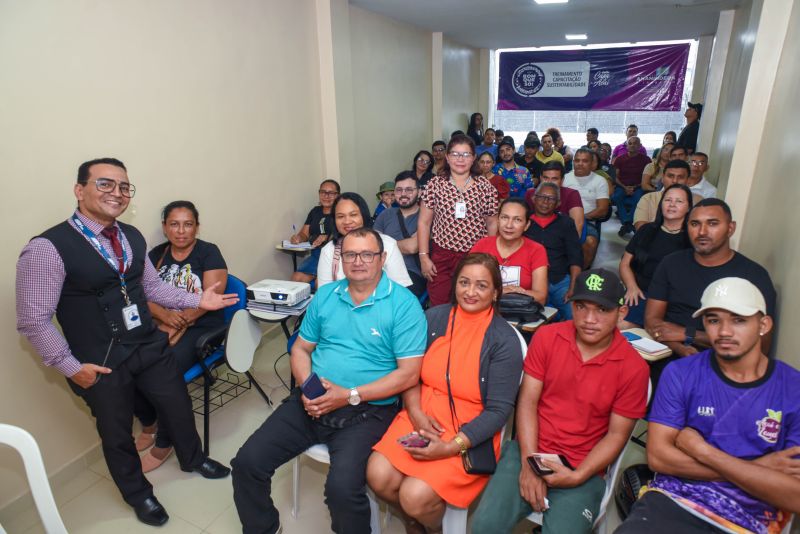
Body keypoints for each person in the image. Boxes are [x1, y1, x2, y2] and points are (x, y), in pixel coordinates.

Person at [16, 158, 236, 526]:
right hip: (99, 360)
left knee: (178, 405)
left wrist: (198, 299)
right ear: (79, 190)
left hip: (147, 344)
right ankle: (139, 495)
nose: (116, 193)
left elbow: (151, 288)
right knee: (117, 432)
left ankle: (193, 458)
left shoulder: (131, 237)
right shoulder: (47, 248)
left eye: (123, 187)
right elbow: (33, 321)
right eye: (105, 184)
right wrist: (71, 368)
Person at [232, 227, 427, 534]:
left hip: (368, 411)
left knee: (341, 491)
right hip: (312, 401)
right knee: (247, 463)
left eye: (367, 254)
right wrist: (309, 390)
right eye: (350, 254)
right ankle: (264, 528)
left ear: (383, 258)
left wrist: (348, 395)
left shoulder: (403, 305)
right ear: (341, 259)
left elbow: (409, 374)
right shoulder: (325, 296)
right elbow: (300, 349)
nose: (358, 261)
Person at [472, 269, 650, 534]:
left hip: (583, 465)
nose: (589, 319)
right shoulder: (547, 338)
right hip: (530, 449)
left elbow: (616, 436)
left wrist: (578, 476)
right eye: (581, 307)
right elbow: (528, 404)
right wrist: (530, 464)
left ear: (620, 314)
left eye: (601, 309)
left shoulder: (633, 368)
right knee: (484, 526)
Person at [617, 278, 800, 534]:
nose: (724, 331)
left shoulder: (793, 389)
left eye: (738, 319)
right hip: (674, 501)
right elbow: (659, 458)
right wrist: (759, 468)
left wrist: (703, 451)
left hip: (747, 520)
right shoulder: (681, 373)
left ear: (763, 325)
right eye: (714, 320)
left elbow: (794, 496)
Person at [367, 253, 523, 533]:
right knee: (377, 476)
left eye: (481, 285)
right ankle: (416, 522)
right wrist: (415, 412)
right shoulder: (432, 318)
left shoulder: (504, 340)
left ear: (496, 292)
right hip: (420, 413)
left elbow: (498, 412)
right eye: (464, 282)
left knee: (414, 495)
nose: (470, 292)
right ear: (454, 284)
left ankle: (431, 527)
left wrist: (451, 447)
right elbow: (409, 372)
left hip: (469, 430)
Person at [135, 200, 229, 472]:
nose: (181, 231)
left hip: (200, 326)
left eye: (188, 224)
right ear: (165, 228)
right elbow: (139, 294)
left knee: (165, 373)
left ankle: (165, 441)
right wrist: (165, 317)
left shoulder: (208, 252)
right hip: (161, 323)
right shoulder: (155, 255)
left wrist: (183, 318)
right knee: (128, 363)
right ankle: (149, 422)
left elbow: (213, 295)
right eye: (174, 224)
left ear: (197, 227)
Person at [645, 198, 777, 362]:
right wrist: (678, 346)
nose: (702, 232)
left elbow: (761, 345)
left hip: (728, 364)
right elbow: (652, 321)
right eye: (695, 224)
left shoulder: (754, 276)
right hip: (668, 352)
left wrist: (689, 334)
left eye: (713, 223)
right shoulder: (671, 263)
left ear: (730, 228)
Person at [419, 134, 499, 306]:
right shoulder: (435, 184)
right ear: (447, 157)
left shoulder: (485, 187)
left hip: (475, 256)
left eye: (466, 154)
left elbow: (492, 223)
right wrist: (424, 257)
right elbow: (424, 223)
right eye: (455, 154)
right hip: (441, 256)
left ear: (473, 158)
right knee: (439, 305)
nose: (460, 159)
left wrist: (489, 257)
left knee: (471, 303)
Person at [618, 185, 693, 328]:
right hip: (641, 293)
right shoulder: (646, 230)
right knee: (620, 326)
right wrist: (632, 287)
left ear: (689, 207)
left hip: (674, 301)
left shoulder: (692, 238)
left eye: (679, 201)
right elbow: (625, 263)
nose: (672, 205)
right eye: (668, 200)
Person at [317, 192, 412, 288]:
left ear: (364, 215)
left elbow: (401, 290)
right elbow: (324, 294)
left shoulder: (388, 244)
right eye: (340, 216)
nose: (347, 221)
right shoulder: (328, 251)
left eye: (353, 215)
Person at [471, 198, 548, 304]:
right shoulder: (482, 245)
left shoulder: (536, 250)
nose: (509, 225)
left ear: (527, 225)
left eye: (517, 220)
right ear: (498, 220)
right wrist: (501, 292)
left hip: (519, 313)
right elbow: (468, 285)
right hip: (483, 309)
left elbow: (541, 296)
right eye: (504, 218)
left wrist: (513, 293)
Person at [524, 182, 582, 320]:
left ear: (558, 204)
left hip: (559, 281)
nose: (545, 202)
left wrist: (573, 287)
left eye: (551, 198)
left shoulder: (566, 223)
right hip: (529, 281)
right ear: (533, 198)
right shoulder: (523, 222)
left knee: (575, 316)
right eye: (542, 196)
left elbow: (576, 257)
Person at [374, 171, 427, 297]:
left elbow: (412, 246)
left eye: (409, 190)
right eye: (399, 190)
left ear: (419, 192)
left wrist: (385, 244)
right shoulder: (385, 214)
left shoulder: (426, 217)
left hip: (410, 274)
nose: (403, 194)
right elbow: (373, 245)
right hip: (381, 271)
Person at [564, 148, 609, 269]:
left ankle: (581, 272)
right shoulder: (565, 178)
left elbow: (603, 209)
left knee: (590, 242)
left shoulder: (600, 181)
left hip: (588, 221)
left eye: (584, 161)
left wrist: (580, 217)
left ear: (592, 163)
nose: (580, 163)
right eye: (577, 160)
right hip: (565, 220)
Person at [289, 179, 340, 283]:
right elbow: (304, 233)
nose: (326, 196)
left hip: (334, 255)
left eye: (331, 193)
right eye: (323, 192)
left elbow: (345, 234)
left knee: (320, 283)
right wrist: (298, 238)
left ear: (338, 195)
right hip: (316, 255)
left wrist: (328, 237)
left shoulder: (341, 212)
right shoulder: (315, 211)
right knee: (296, 278)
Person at [633, 159, 702, 231]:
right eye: (670, 176)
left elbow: (698, 231)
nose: (675, 181)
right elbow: (641, 229)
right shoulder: (648, 198)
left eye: (680, 177)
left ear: (688, 180)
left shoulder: (698, 201)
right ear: (662, 178)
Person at [525, 161, 584, 238]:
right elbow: (523, 220)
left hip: (561, 239)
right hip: (533, 237)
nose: (549, 182)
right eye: (545, 178)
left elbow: (578, 224)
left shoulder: (572, 194)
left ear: (562, 180)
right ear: (540, 178)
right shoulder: (531, 193)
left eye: (554, 179)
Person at [613, 136, 652, 236]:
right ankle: (629, 223)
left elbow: (648, 177)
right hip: (622, 186)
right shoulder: (619, 159)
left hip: (638, 186)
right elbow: (615, 177)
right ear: (626, 146)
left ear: (640, 146)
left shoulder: (646, 160)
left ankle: (626, 223)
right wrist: (625, 187)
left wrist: (634, 187)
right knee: (616, 197)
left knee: (639, 199)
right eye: (630, 143)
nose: (632, 145)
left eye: (635, 143)